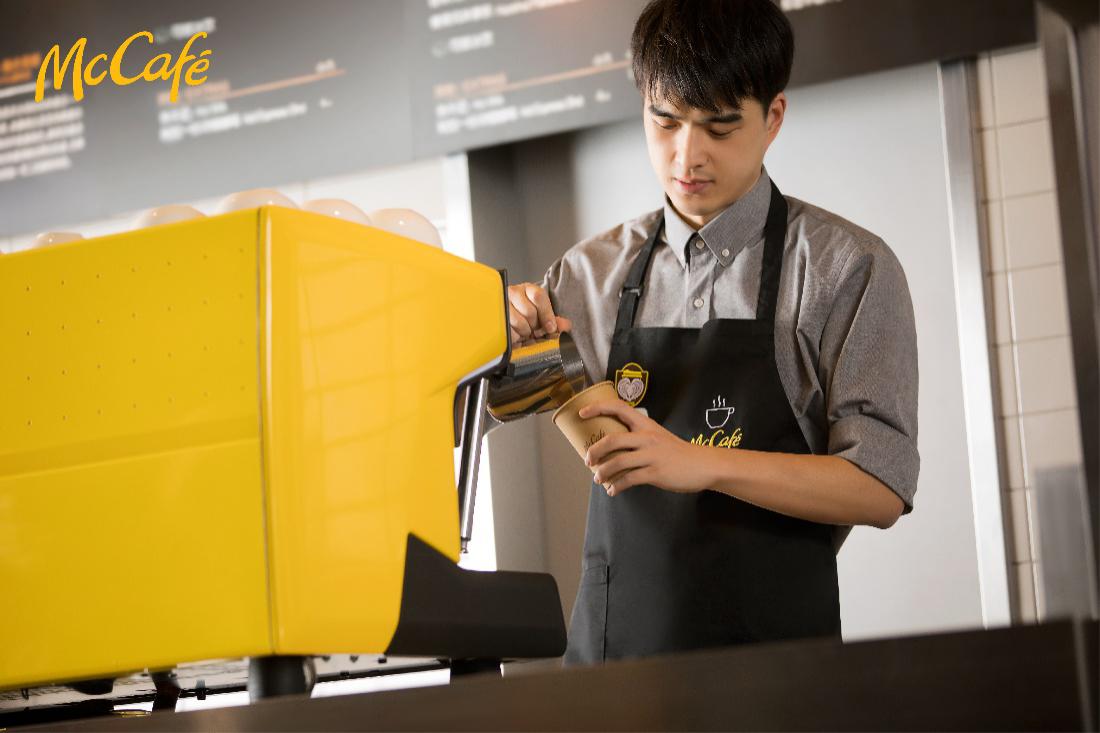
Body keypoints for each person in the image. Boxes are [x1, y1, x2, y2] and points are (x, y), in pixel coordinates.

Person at [507, 0, 919, 665]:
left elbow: (880, 486)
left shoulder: (847, 268)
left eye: (720, 126)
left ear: (773, 117)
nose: (686, 155)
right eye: (664, 121)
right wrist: (496, 338)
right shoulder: (587, 276)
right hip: (614, 674)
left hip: (777, 676)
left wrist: (700, 462)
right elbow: (472, 416)